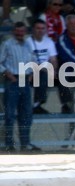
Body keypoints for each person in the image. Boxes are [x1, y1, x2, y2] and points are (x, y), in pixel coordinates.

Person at [1, 22, 39, 152]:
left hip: (25, 79)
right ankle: (9, 144)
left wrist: (32, 74)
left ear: (25, 32)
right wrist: (9, 75)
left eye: (22, 31)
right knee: (10, 115)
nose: (20, 33)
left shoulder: (28, 44)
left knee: (26, 114)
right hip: (13, 80)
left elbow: (34, 60)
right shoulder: (7, 44)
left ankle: (25, 143)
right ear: (13, 31)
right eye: (17, 31)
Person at [26, 19, 59, 115]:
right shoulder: (27, 42)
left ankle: (66, 104)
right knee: (42, 74)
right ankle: (37, 104)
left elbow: (53, 59)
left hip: (47, 71)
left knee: (63, 76)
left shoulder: (49, 42)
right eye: (38, 28)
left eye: (42, 28)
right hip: (32, 72)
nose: (40, 31)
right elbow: (29, 62)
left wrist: (54, 70)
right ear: (33, 29)